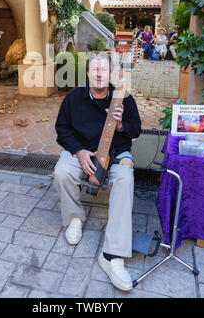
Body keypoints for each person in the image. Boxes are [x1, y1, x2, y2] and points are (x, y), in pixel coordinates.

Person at [54, 52, 141, 291]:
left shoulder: (123, 98)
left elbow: (136, 130)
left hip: (115, 153)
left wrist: (122, 124)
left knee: (125, 179)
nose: (100, 74)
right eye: (95, 70)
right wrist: (79, 151)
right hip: (83, 151)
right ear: (88, 73)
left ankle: (113, 254)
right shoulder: (73, 99)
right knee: (62, 171)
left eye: (104, 70)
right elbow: (62, 129)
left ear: (110, 73)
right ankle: (74, 218)